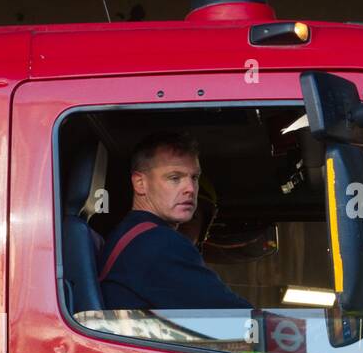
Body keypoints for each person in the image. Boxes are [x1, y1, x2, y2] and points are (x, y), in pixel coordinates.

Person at [97, 131, 249, 310]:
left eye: (194, 177)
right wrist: (284, 329)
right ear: (140, 183)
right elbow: (236, 317)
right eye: (175, 178)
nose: (191, 189)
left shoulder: (132, 235)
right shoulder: (158, 243)